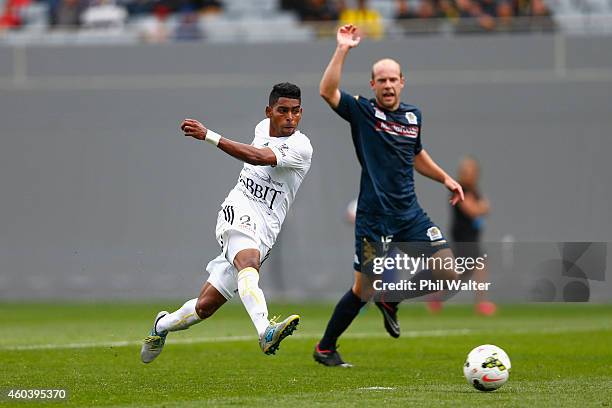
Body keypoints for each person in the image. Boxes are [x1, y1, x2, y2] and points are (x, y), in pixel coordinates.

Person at [314, 24, 464, 367]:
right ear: (373, 85)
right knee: (363, 290)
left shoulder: (413, 116)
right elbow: (326, 90)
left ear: (402, 82)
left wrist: (445, 178)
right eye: (381, 80)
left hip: (409, 214)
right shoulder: (364, 112)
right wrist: (342, 49)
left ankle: (391, 298)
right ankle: (325, 347)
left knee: (449, 271)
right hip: (374, 217)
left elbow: (415, 155)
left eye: (393, 79)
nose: (387, 85)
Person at [141, 83, 313, 363]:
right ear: (269, 112)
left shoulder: (301, 147)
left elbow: (257, 157)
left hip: (267, 227)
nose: (290, 118)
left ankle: (161, 326)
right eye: (283, 111)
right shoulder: (261, 128)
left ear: (301, 113)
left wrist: (208, 135)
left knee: (204, 308)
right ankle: (265, 331)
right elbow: (254, 153)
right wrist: (209, 136)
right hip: (238, 208)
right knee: (248, 263)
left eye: (295, 112)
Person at [427, 156, 496, 315]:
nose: (469, 175)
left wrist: (482, 207)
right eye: (466, 172)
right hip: (462, 239)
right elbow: (474, 210)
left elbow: (486, 207)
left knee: (461, 274)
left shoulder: (475, 191)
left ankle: (437, 297)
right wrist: (481, 207)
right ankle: (481, 303)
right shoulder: (459, 191)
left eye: (472, 171)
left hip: (472, 238)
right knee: (476, 266)